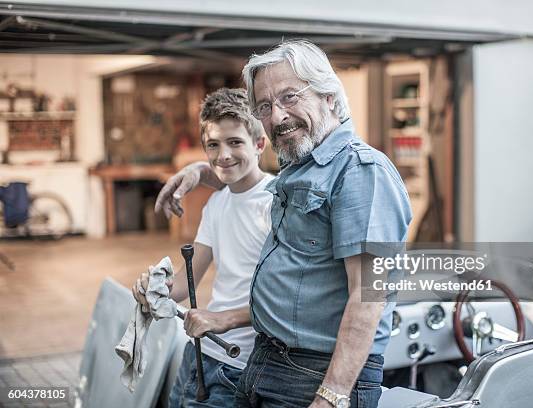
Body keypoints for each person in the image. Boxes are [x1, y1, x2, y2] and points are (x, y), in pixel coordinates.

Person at [155, 40, 412, 408]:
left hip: (314, 376)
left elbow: (369, 295)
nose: (276, 117)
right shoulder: (302, 165)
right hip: (269, 363)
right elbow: (254, 183)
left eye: (290, 97)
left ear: (328, 95)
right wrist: (203, 171)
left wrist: (331, 397)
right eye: (264, 106)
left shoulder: (362, 172)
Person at [132, 88, 274, 407]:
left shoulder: (276, 202)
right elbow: (185, 284)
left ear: (259, 144)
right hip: (198, 355)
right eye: (213, 144)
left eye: (235, 142)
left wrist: (221, 318)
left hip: (240, 363)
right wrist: (154, 289)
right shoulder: (216, 204)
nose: (223, 155)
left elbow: (289, 300)